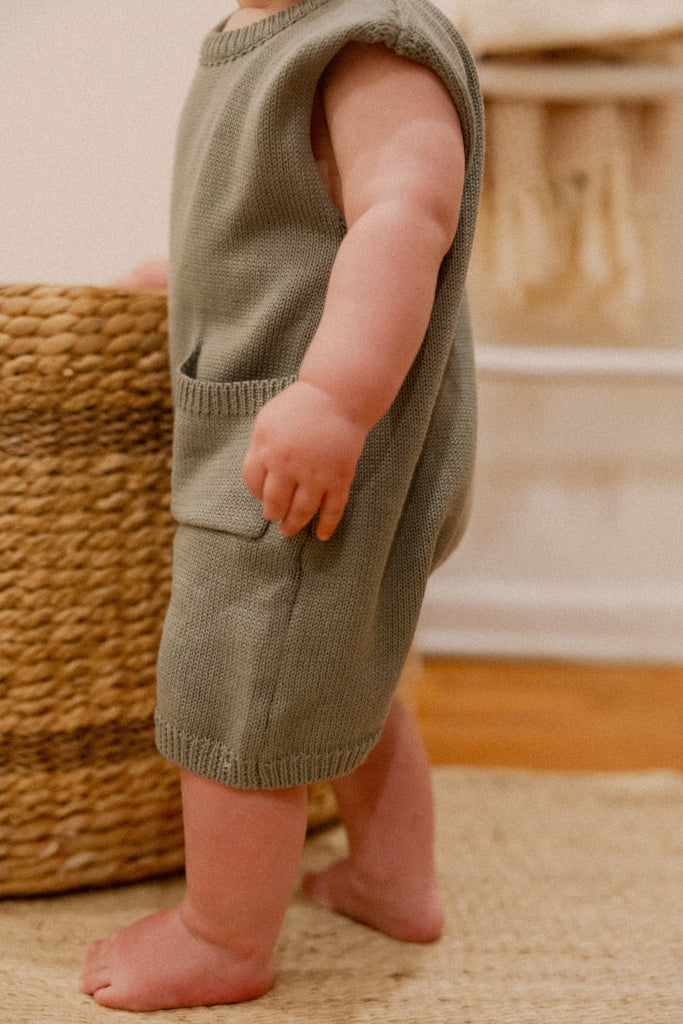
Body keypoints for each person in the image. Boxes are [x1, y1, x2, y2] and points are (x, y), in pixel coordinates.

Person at [80, 0, 483, 1010]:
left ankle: (222, 936)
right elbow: (288, 235)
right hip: (290, 427)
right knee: (334, 661)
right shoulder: (255, 40)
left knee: (238, 680)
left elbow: (402, 220)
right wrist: (196, 285)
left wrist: (334, 398)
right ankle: (392, 881)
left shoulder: (366, 41)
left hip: (318, 447)